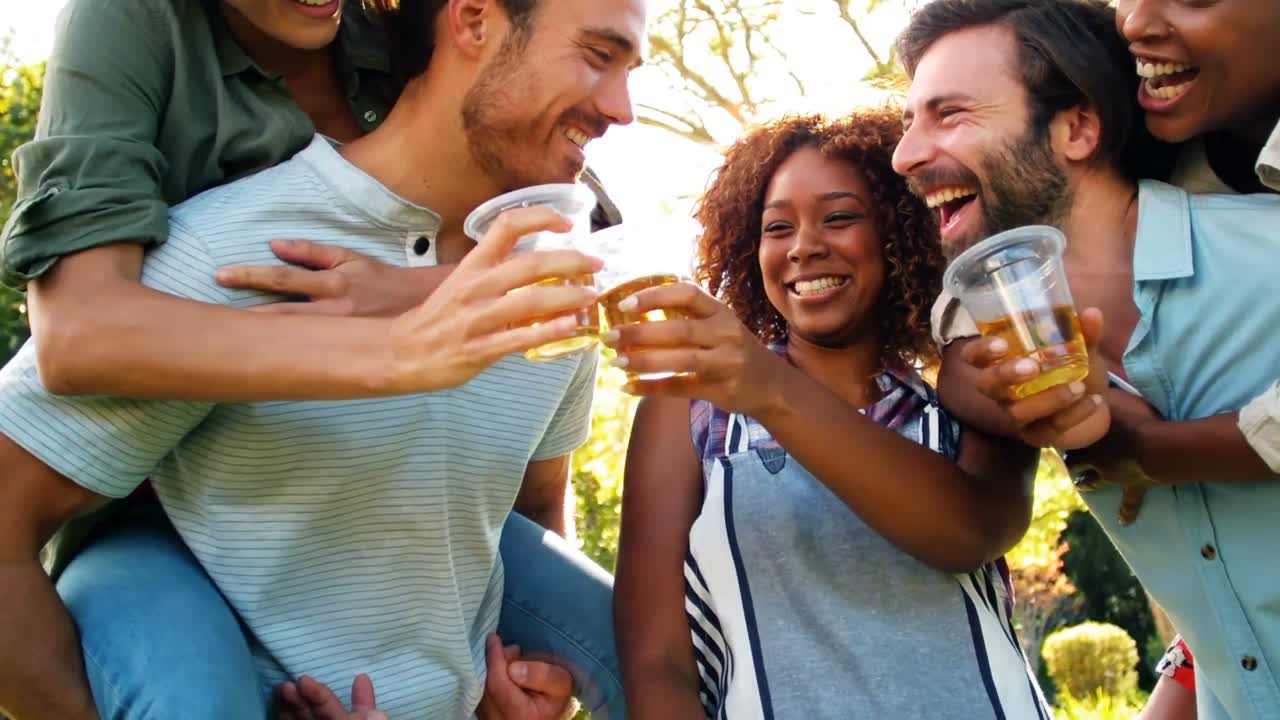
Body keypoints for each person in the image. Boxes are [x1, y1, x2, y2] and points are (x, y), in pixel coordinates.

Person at [0, 0, 645, 717]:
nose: (624, 110)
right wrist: (400, 347)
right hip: (151, 550)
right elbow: (78, 338)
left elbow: (527, 509)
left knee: (665, 660)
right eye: (596, 55)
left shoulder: (552, 278)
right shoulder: (232, 251)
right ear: (470, 22)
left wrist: (514, 676)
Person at [891, 1, 1280, 718]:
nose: (906, 154)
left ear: (1077, 127)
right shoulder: (993, 337)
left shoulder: (1268, 254)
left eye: (950, 114)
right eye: (911, 120)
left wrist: (1143, 444)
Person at [608, 109, 1050, 719]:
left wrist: (769, 388)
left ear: (900, 233)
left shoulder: (968, 393)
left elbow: (967, 535)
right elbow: (658, 662)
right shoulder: (689, 413)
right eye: (777, 227)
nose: (804, 247)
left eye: (839, 217)